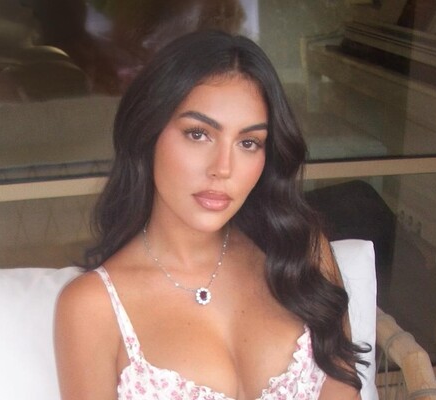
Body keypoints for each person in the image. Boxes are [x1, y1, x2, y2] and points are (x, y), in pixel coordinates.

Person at [54, 30, 368, 399]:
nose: (223, 168)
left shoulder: (302, 253)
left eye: (248, 142)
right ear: (147, 133)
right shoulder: (92, 307)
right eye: (198, 134)